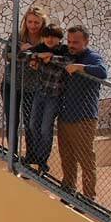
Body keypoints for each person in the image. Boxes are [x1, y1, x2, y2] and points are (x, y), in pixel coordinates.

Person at [56, 26, 107, 200]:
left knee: (86, 159)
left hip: (84, 118)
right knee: (67, 158)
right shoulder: (67, 55)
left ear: (86, 41)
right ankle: (68, 191)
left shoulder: (92, 58)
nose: (71, 45)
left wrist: (80, 67)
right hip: (65, 116)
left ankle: (88, 198)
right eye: (69, 41)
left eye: (76, 42)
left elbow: (102, 72)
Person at [23, 25, 68, 173]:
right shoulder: (41, 48)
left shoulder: (64, 50)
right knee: (32, 125)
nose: (49, 39)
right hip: (40, 93)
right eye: (47, 36)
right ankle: (36, 156)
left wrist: (51, 58)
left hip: (54, 97)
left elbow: (69, 62)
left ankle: (42, 160)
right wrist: (38, 56)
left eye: (53, 37)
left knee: (45, 129)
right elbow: (22, 56)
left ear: (59, 39)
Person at [3, 6, 48, 137]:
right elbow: (6, 55)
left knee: (31, 122)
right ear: (25, 22)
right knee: (12, 120)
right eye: (30, 22)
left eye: (36, 22)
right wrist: (20, 51)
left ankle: (31, 155)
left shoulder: (46, 40)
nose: (32, 25)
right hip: (11, 83)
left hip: (32, 87)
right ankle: (12, 154)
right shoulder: (18, 36)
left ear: (42, 23)